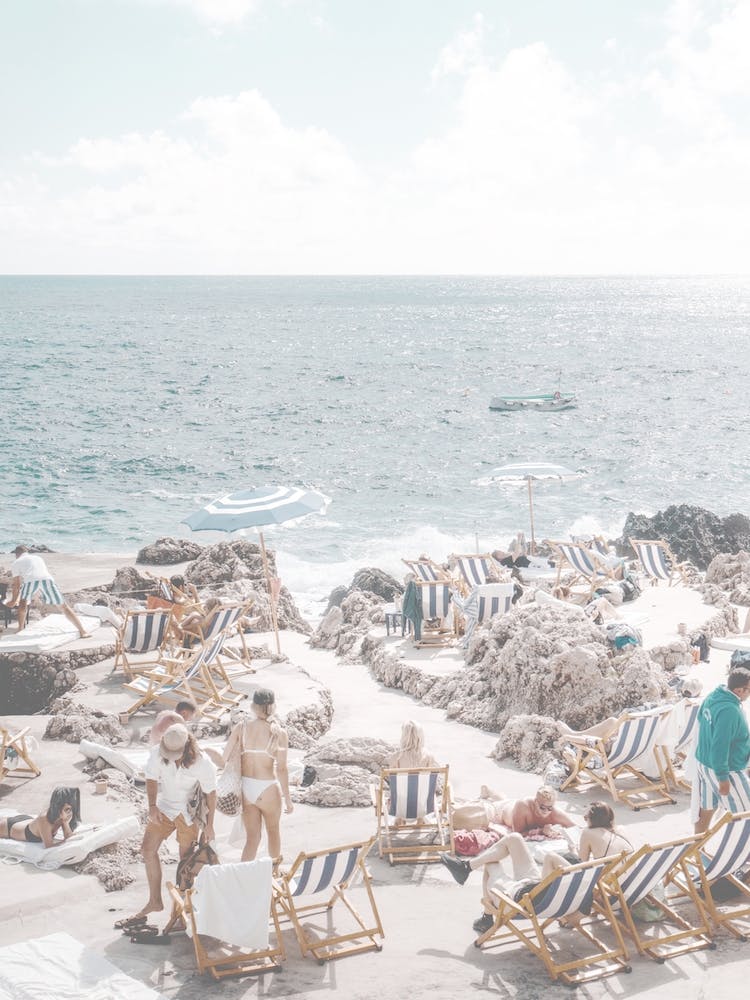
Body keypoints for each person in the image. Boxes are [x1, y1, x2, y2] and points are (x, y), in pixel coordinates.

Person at [442, 799, 631, 934]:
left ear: (592, 820)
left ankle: (487, 917)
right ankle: (466, 867)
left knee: (491, 862)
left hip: (534, 896)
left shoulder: (587, 843)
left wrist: (570, 849)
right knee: (515, 838)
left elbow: (581, 866)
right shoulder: (620, 832)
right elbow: (583, 870)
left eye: (586, 817)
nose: (583, 819)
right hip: (546, 886)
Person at [133, 723, 216, 920]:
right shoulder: (157, 753)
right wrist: (152, 806)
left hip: (188, 813)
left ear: (187, 747)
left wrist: (209, 825)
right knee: (147, 849)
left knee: (185, 862)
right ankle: (155, 901)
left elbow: (211, 793)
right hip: (164, 808)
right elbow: (151, 778)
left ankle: (180, 911)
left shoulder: (203, 763)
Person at [220, 688, 293, 863]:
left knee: (252, 839)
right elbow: (282, 769)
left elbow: (224, 758)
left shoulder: (241, 727)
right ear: (273, 706)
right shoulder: (279, 733)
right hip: (267, 787)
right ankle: (274, 875)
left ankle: (244, 876)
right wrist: (288, 799)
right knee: (273, 831)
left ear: (253, 706)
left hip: (246, 788)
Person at [693, 666, 750, 833]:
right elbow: (720, 745)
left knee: (707, 809)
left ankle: (697, 847)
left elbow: (700, 719)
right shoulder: (730, 711)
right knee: (745, 816)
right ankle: (737, 852)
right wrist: (723, 778)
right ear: (740, 690)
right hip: (727, 771)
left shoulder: (714, 696)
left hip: (704, 765)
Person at [4, 545, 91, 637]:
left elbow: (16, 585)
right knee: (63, 606)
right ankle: (82, 631)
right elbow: (40, 572)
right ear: (27, 552)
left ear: (16, 554)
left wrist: (13, 600)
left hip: (30, 581)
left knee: (23, 604)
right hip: (47, 580)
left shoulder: (16, 562)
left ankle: (20, 628)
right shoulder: (38, 557)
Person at [451, 784, 576, 834]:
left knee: (504, 801)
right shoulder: (524, 806)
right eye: (542, 807)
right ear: (535, 802)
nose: (546, 811)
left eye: (550, 808)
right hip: (499, 813)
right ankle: (487, 793)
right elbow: (518, 833)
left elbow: (575, 828)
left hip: (510, 806)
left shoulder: (554, 813)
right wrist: (541, 831)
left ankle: (489, 791)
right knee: (461, 818)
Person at [0, 786, 81, 848]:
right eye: (67, 809)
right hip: (8, 827)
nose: (69, 812)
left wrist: (65, 822)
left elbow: (67, 836)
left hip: (26, 821)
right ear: (58, 806)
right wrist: (66, 841)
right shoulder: (44, 819)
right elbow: (49, 846)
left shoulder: (61, 815)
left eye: (70, 809)